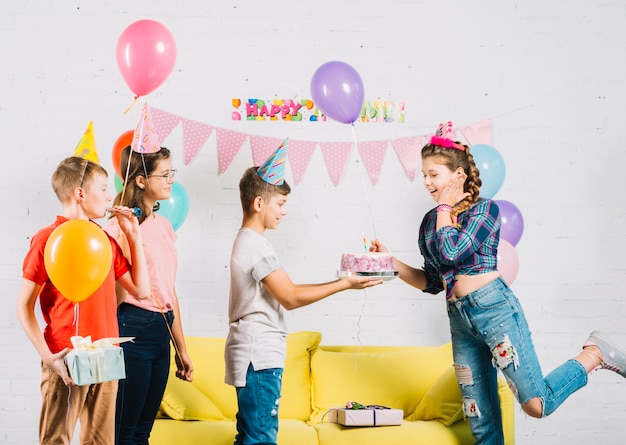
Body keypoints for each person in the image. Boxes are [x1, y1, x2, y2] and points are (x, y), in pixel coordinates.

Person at [370, 122, 626, 445]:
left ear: (458, 175)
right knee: (481, 423)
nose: (426, 182)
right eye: (423, 174)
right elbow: (433, 281)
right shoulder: (430, 223)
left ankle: (595, 354)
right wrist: (390, 262)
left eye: (433, 174)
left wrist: (446, 208)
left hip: (494, 309)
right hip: (460, 321)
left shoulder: (484, 211)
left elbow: (451, 252)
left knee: (537, 404)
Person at [225, 141, 382, 445]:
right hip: (258, 355)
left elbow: (291, 290)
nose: (284, 212)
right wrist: (347, 284)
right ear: (259, 204)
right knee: (260, 438)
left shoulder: (253, 242)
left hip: (255, 354)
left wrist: (345, 280)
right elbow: (291, 298)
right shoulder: (253, 245)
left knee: (251, 435)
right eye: (280, 204)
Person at [16, 156, 150, 445]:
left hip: (107, 353)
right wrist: (47, 357)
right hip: (64, 356)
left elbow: (141, 290)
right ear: (80, 193)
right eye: (102, 189)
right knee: (56, 439)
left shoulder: (104, 239)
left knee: (101, 441)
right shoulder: (46, 239)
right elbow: (23, 306)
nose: (108, 196)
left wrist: (133, 235)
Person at [106, 145, 193, 445]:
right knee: (124, 432)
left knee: (144, 431)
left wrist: (181, 349)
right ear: (141, 180)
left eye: (172, 173)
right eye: (164, 174)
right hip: (133, 328)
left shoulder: (165, 226)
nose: (171, 180)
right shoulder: (121, 228)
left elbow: (169, 291)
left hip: (161, 330)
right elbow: (114, 294)